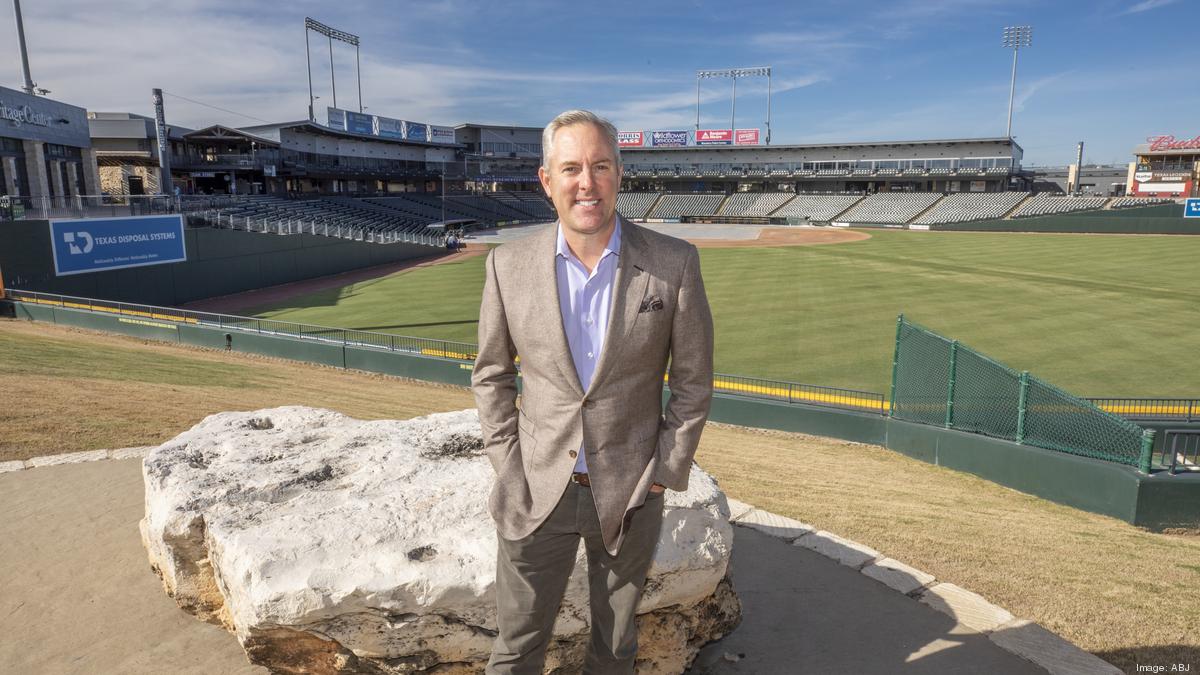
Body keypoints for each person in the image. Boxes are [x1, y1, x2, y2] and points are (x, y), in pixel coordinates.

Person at [471, 110, 714, 674]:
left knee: (614, 650)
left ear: (619, 174)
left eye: (600, 166)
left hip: (630, 492)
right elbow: (491, 375)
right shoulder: (507, 265)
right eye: (572, 168)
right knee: (515, 650)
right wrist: (509, 466)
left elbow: (694, 379)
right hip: (536, 488)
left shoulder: (674, 262)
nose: (588, 182)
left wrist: (664, 469)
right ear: (547, 181)